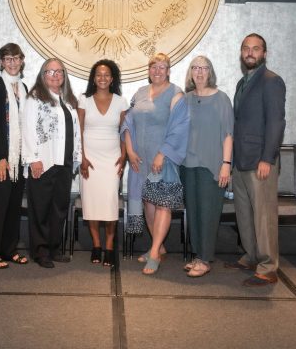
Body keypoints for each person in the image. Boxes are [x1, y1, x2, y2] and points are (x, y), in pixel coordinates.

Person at [226, 33, 286, 286]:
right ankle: (251, 255)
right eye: (246, 49)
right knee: (245, 214)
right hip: (241, 159)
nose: (250, 53)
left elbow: (276, 122)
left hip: (260, 161)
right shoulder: (243, 82)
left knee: (263, 215)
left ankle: (268, 266)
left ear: (264, 53)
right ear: (241, 53)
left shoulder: (271, 81)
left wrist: (267, 158)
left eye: (255, 49)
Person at [122, 53, 189, 275]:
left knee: (162, 205)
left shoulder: (176, 94)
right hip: (140, 160)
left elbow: (180, 128)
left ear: (168, 70)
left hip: (163, 159)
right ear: (148, 70)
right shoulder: (140, 93)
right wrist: (130, 151)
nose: (157, 71)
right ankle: (157, 246)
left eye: (162, 67)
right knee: (148, 205)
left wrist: (163, 153)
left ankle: (153, 255)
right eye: (154, 67)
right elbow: (128, 122)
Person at [22, 58, 81, 268]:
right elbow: (28, 130)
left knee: (59, 208)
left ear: (64, 76)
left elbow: (75, 132)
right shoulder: (35, 98)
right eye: (50, 71)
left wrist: (76, 157)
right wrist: (32, 159)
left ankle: (54, 248)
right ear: (42, 75)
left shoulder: (68, 99)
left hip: (63, 163)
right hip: (43, 163)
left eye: (59, 72)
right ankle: (40, 252)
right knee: (41, 209)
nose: (55, 75)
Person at [180, 55, 233, 278]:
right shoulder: (185, 99)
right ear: (190, 73)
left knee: (208, 212)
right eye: (195, 68)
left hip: (212, 164)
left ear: (210, 72)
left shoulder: (222, 99)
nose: (200, 72)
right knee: (193, 211)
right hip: (187, 164)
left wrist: (226, 164)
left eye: (204, 68)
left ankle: (205, 258)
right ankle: (197, 254)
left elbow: (228, 134)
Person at [78, 60, 129, 267]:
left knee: (109, 203)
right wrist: (81, 157)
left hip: (112, 159)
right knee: (91, 203)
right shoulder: (84, 100)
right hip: (89, 159)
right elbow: (78, 131)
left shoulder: (121, 101)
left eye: (106, 74)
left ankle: (109, 246)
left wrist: (124, 155)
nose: (102, 78)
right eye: (98, 74)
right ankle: (96, 245)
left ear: (112, 78)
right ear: (93, 77)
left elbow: (125, 131)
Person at [0, 43, 29, 269]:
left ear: (22, 61)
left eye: (16, 58)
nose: (12, 63)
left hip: (19, 160)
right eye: (8, 59)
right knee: (0, 205)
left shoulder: (24, 87)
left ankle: (10, 250)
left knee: (13, 206)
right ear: (1, 62)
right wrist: (0, 158)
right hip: (2, 159)